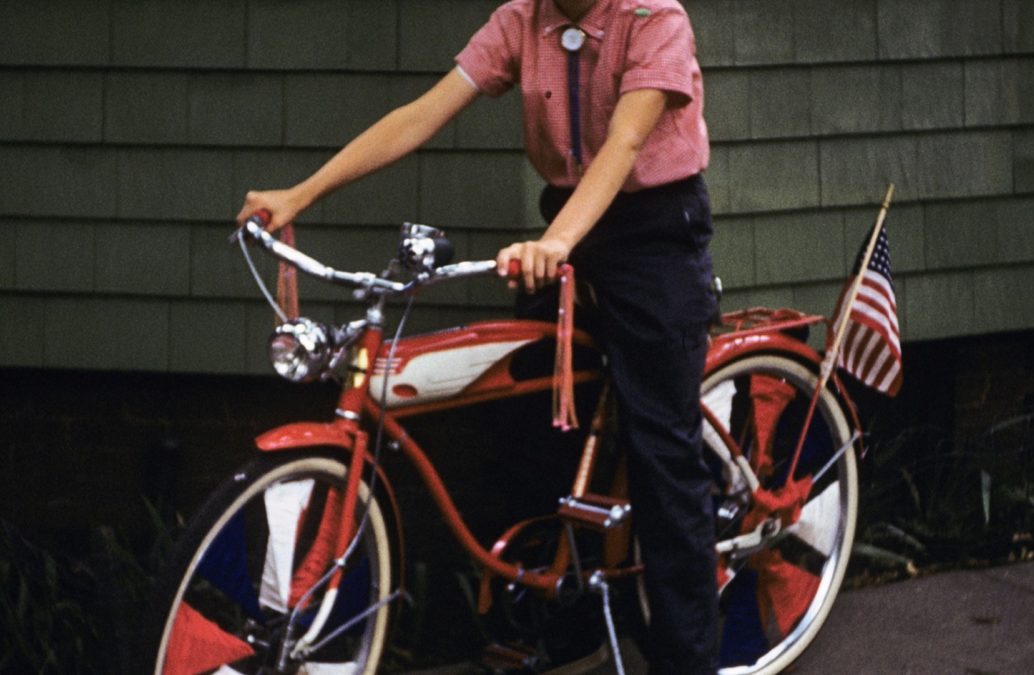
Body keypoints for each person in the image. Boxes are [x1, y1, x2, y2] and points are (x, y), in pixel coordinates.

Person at [236, 1, 719, 672]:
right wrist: (302, 193)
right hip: (569, 227)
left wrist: (556, 242)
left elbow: (626, 144)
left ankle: (688, 659)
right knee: (529, 415)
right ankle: (557, 621)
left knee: (663, 451)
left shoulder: (653, 16)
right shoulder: (521, 19)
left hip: (655, 231)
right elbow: (423, 114)